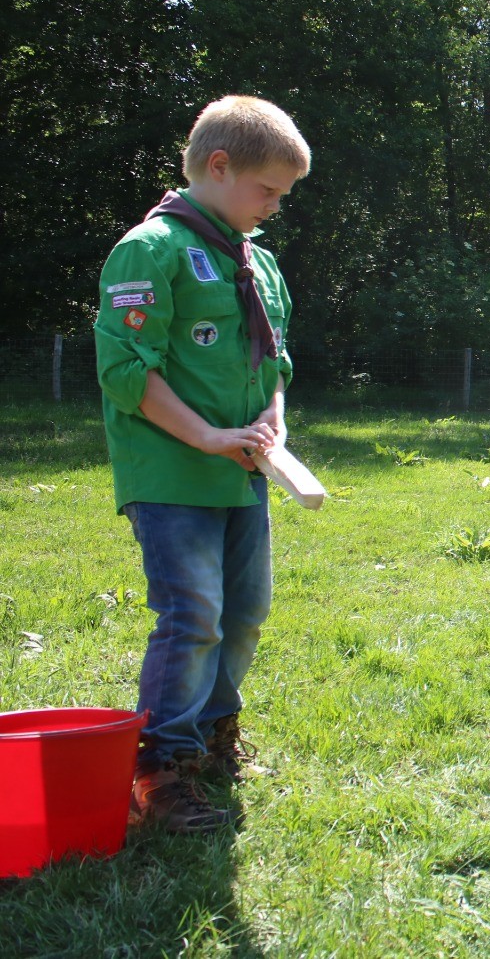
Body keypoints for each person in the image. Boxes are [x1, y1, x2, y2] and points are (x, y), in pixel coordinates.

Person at [95, 95, 311, 832]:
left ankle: (215, 736)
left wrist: (272, 418)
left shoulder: (258, 262)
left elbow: (272, 359)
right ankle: (159, 767)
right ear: (217, 167)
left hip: (241, 475)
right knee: (193, 616)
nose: (275, 207)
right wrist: (209, 437)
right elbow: (127, 371)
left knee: (243, 611)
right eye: (268, 191)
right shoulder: (148, 250)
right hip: (172, 474)